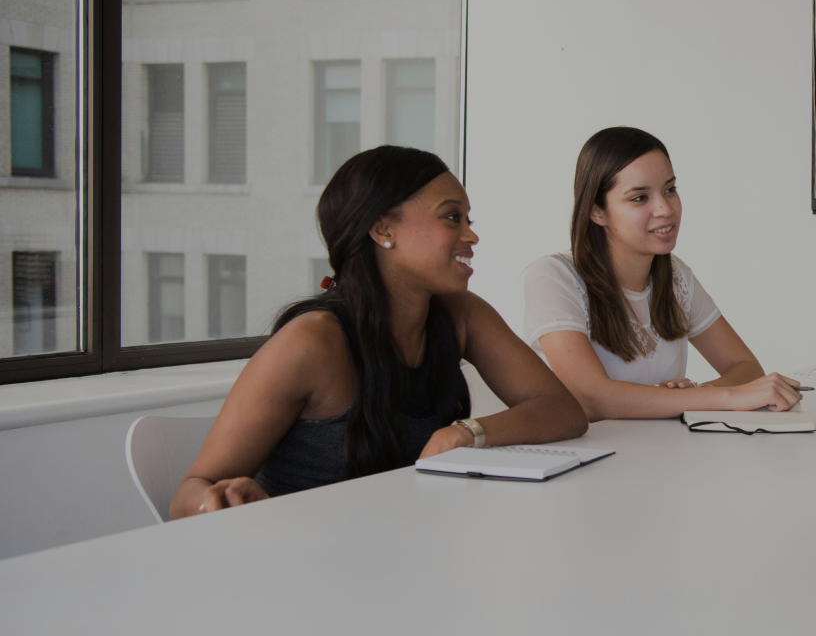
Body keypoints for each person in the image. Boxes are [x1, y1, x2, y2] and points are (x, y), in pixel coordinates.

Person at [170, 146, 587, 518]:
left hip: (403, 551)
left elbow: (562, 410)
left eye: (467, 219)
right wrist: (218, 501)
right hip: (305, 568)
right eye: (450, 217)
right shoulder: (311, 343)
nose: (471, 234)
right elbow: (188, 496)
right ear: (383, 229)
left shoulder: (461, 315)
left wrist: (466, 432)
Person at [523, 126, 800, 420]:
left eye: (669, 189)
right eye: (640, 197)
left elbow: (745, 367)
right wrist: (712, 397)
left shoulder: (676, 275)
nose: (665, 209)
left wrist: (692, 395)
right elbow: (592, 398)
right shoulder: (553, 277)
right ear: (597, 211)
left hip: (664, 455)